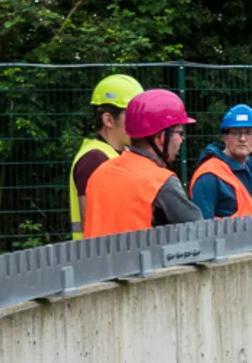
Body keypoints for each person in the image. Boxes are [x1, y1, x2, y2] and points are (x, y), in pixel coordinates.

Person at [82, 89, 202, 238]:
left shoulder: (99, 174)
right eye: (180, 133)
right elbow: (201, 234)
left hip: (98, 254)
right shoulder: (161, 182)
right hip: (141, 254)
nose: (182, 139)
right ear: (162, 137)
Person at [69, 74, 143, 239]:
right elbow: (93, 224)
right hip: (103, 254)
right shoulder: (94, 160)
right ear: (108, 120)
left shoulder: (120, 154)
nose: (139, 122)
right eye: (132, 116)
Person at [189, 104, 252, 219]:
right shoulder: (208, 176)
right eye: (236, 132)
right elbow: (200, 226)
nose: (242, 139)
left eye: (248, 132)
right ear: (225, 137)